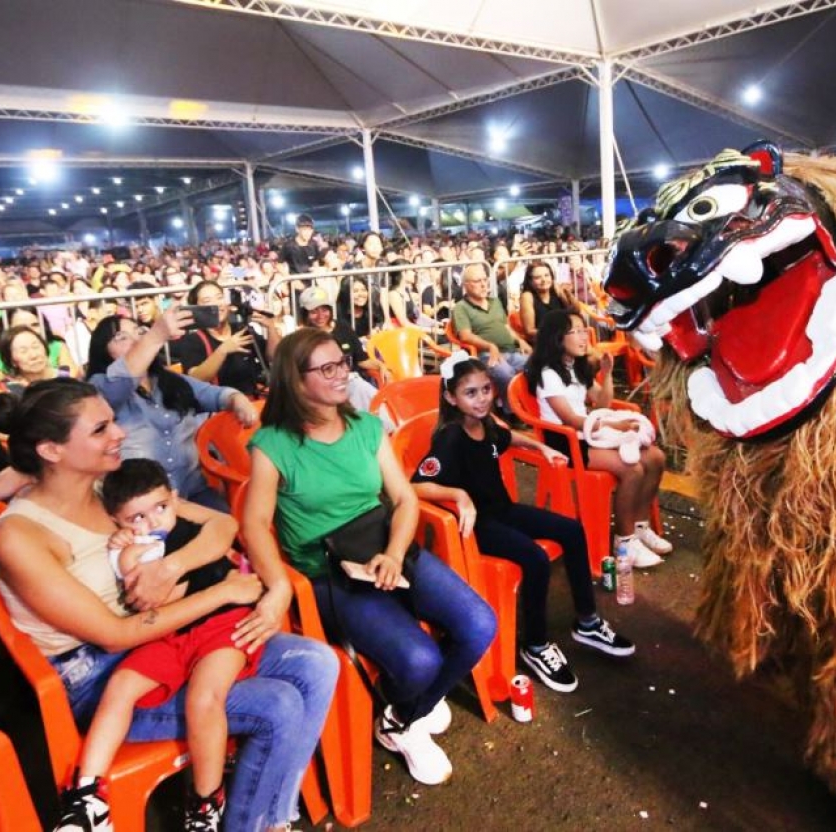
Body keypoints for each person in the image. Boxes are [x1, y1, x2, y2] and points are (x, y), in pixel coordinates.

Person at [0, 379, 338, 832]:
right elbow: (113, 634)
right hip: (100, 674)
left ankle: (265, 819)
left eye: (113, 422)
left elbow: (221, 524)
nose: (117, 433)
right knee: (278, 705)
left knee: (316, 660)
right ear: (52, 450)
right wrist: (222, 591)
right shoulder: (18, 535)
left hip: (171, 637)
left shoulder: (108, 489)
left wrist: (172, 568)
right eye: (100, 429)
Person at [242, 328, 496, 786]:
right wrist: (279, 584)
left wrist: (396, 554)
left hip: (383, 544)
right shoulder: (273, 445)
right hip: (327, 572)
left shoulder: (364, 425)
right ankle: (410, 705)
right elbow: (254, 523)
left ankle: (401, 713)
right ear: (296, 382)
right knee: (420, 661)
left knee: (480, 624)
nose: (342, 373)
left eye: (341, 362)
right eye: (327, 368)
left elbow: (403, 499)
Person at [56, 458, 261, 830]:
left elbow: (227, 529)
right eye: (136, 518)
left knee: (204, 696)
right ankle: (87, 796)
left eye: (161, 508)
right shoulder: (131, 549)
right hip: (167, 634)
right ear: (117, 521)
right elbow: (146, 599)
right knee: (121, 685)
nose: (152, 523)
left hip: (220, 624)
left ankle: (205, 804)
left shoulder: (189, 524)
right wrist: (128, 549)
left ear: (174, 498)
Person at [412, 351, 634, 693]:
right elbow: (415, 484)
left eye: (486, 389)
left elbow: (508, 437)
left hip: (503, 510)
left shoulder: (485, 424)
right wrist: (458, 496)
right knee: (534, 557)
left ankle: (587, 622)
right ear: (450, 397)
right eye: (471, 393)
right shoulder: (450, 437)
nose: (483, 398)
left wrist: (541, 448)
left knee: (572, 531)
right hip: (478, 528)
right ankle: (535, 645)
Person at [526, 309, 672, 569]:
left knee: (657, 457)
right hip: (565, 441)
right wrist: (614, 423)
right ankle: (624, 542)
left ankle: (640, 527)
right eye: (577, 331)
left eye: (584, 330)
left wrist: (606, 374)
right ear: (558, 338)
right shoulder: (549, 375)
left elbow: (601, 403)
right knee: (632, 468)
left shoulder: (575, 368)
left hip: (588, 433)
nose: (584, 337)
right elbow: (570, 418)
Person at [87, 308, 258, 511]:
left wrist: (236, 398)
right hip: (141, 503)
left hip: (192, 491)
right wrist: (155, 335)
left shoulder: (169, 380)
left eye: (140, 332)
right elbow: (121, 382)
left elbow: (213, 394)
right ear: (103, 350)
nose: (136, 340)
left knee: (229, 523)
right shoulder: (99, 387)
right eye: (122, 337)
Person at [450, 262, 531, 415]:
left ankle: (533, 407)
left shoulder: (495, 302)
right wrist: (489, 346)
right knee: (505, 373)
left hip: (511, 351)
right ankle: (512, 412)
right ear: (466, 285)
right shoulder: (461, 307)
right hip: (485, 355)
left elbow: (506, 327)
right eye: (477, 281)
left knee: (538, 365)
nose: (483, 284)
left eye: (484, 280)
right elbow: (465, 335)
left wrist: (520, 341)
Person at [175, 280, 280, 397]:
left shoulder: (242, 330)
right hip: (218, 408)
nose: (216, 304)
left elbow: (274, 357)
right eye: (207, 301)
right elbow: (196, 378)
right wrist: (223, 350)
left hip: (253, 401)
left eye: (219, 297)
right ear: (196, 309)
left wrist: (271, 328)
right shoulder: (192, 340)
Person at [297, 286, 388, 410]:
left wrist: (381, 366)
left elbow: (361, 360)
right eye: (314, 312)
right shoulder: (302, 338)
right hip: (324, 388)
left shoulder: (342, 327)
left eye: (324, 310)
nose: (320, 315)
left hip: (351, 381)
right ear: (305, 314)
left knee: (371, 397)